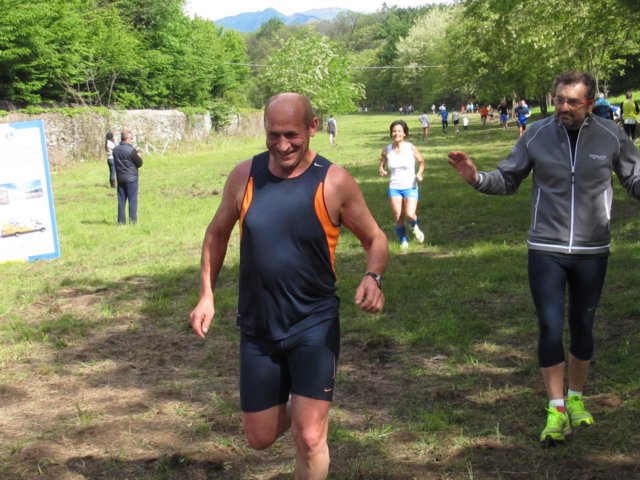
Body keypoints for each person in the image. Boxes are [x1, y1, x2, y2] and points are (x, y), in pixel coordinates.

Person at [189, 93, 388, 479]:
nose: (282, 145)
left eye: (292, 135)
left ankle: (311, 413)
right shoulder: (245, 176)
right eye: (273, 135)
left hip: (313, 323)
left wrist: (372, 276)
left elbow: (375, 238)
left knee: (309, 437)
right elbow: (216, 234)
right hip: (259, 325)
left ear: (313, 127)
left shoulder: (334, 181)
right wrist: (207, 294)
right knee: (259, 436)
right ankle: (308, 404)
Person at [447, 71, 640, 446]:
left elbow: (634, 179)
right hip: (546, 249)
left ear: (589, 103)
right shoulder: (536, 133)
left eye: (572, 102)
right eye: (559, 100)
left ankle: (576, 399)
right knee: (550, 328)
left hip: (591, 250)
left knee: (583, 327)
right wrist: (475, 178)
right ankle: (556, 408)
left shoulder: (611, 135)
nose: (563, 107)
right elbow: (507, 179)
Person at [378, 119, 426, 249]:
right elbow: (381, 164)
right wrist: (382, 170)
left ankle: (414, 226)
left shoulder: (411, 148)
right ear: (391, 133)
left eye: (399, 131)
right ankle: (403, 241)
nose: (396, 133)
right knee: (398, 216)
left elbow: (422, 162)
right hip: (394, 187)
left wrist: (419, 174)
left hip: (410, 185)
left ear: (404, 133)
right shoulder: (387, 150)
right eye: (394, 131)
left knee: (410, 214)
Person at [112, 130, 143, 224]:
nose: (131, 140)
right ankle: (133, 221)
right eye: (131, 138)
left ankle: (121, 221)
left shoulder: (115, 150)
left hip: (120, 178)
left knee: (121, 200)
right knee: (132, 200)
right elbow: (139, 163)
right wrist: (139, 155)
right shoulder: (131, 150)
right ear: (127, 138)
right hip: (131, 179)